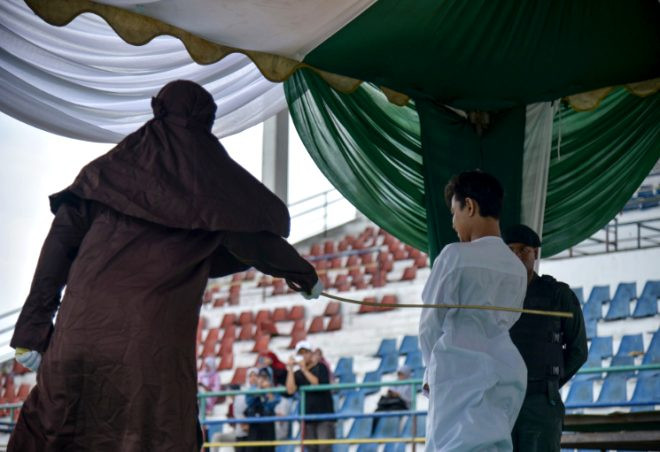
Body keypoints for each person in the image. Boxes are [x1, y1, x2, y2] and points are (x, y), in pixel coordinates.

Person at [8, 80, 323, 452]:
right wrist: (304, 276)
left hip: (80, 335)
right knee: (151, 436)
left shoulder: (108, 170)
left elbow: (56, 250)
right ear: (206, 120)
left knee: (59, 432)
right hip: (151, 350)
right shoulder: (211, 186)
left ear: (158, 108)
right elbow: (257, 242)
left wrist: (31, 330)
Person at [419, 170, 528, 451]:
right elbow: (510, 318)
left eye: (454, 212)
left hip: (458, 370)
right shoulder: (517, 267)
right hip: (507, 369)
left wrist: (430, 370)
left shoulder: (455, 256)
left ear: (469, 206)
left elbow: (430, 323)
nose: (454, 223)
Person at [503, 224, 588, 452]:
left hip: (540, 404)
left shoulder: (557, 294)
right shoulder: (493, 296)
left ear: (536, 253)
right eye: (510, 250)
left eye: (523, 250)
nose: (516, 256)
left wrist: (550, 384)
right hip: (501, 403)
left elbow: (578, 350)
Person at [286, 341, 335, 452]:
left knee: (324, 448)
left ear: (311, 354)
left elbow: (317, 383)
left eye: (306, 352)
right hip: (308, 417)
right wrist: (290, 369)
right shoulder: (298, 373)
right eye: (300, 353)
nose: (303, 356)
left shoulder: (321, 367)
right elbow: (290, 390)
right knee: (311, 448)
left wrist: (304, 369)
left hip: (324, 416)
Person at [244, 368, 280, 452]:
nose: (263, 379)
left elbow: (272, 404)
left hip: (268, 426)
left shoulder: (274, 390)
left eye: (265, 377)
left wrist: (268, 390)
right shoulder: (252, 389)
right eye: (260, 376)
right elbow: (248, 402)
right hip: (254, 426)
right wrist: (259, 388)